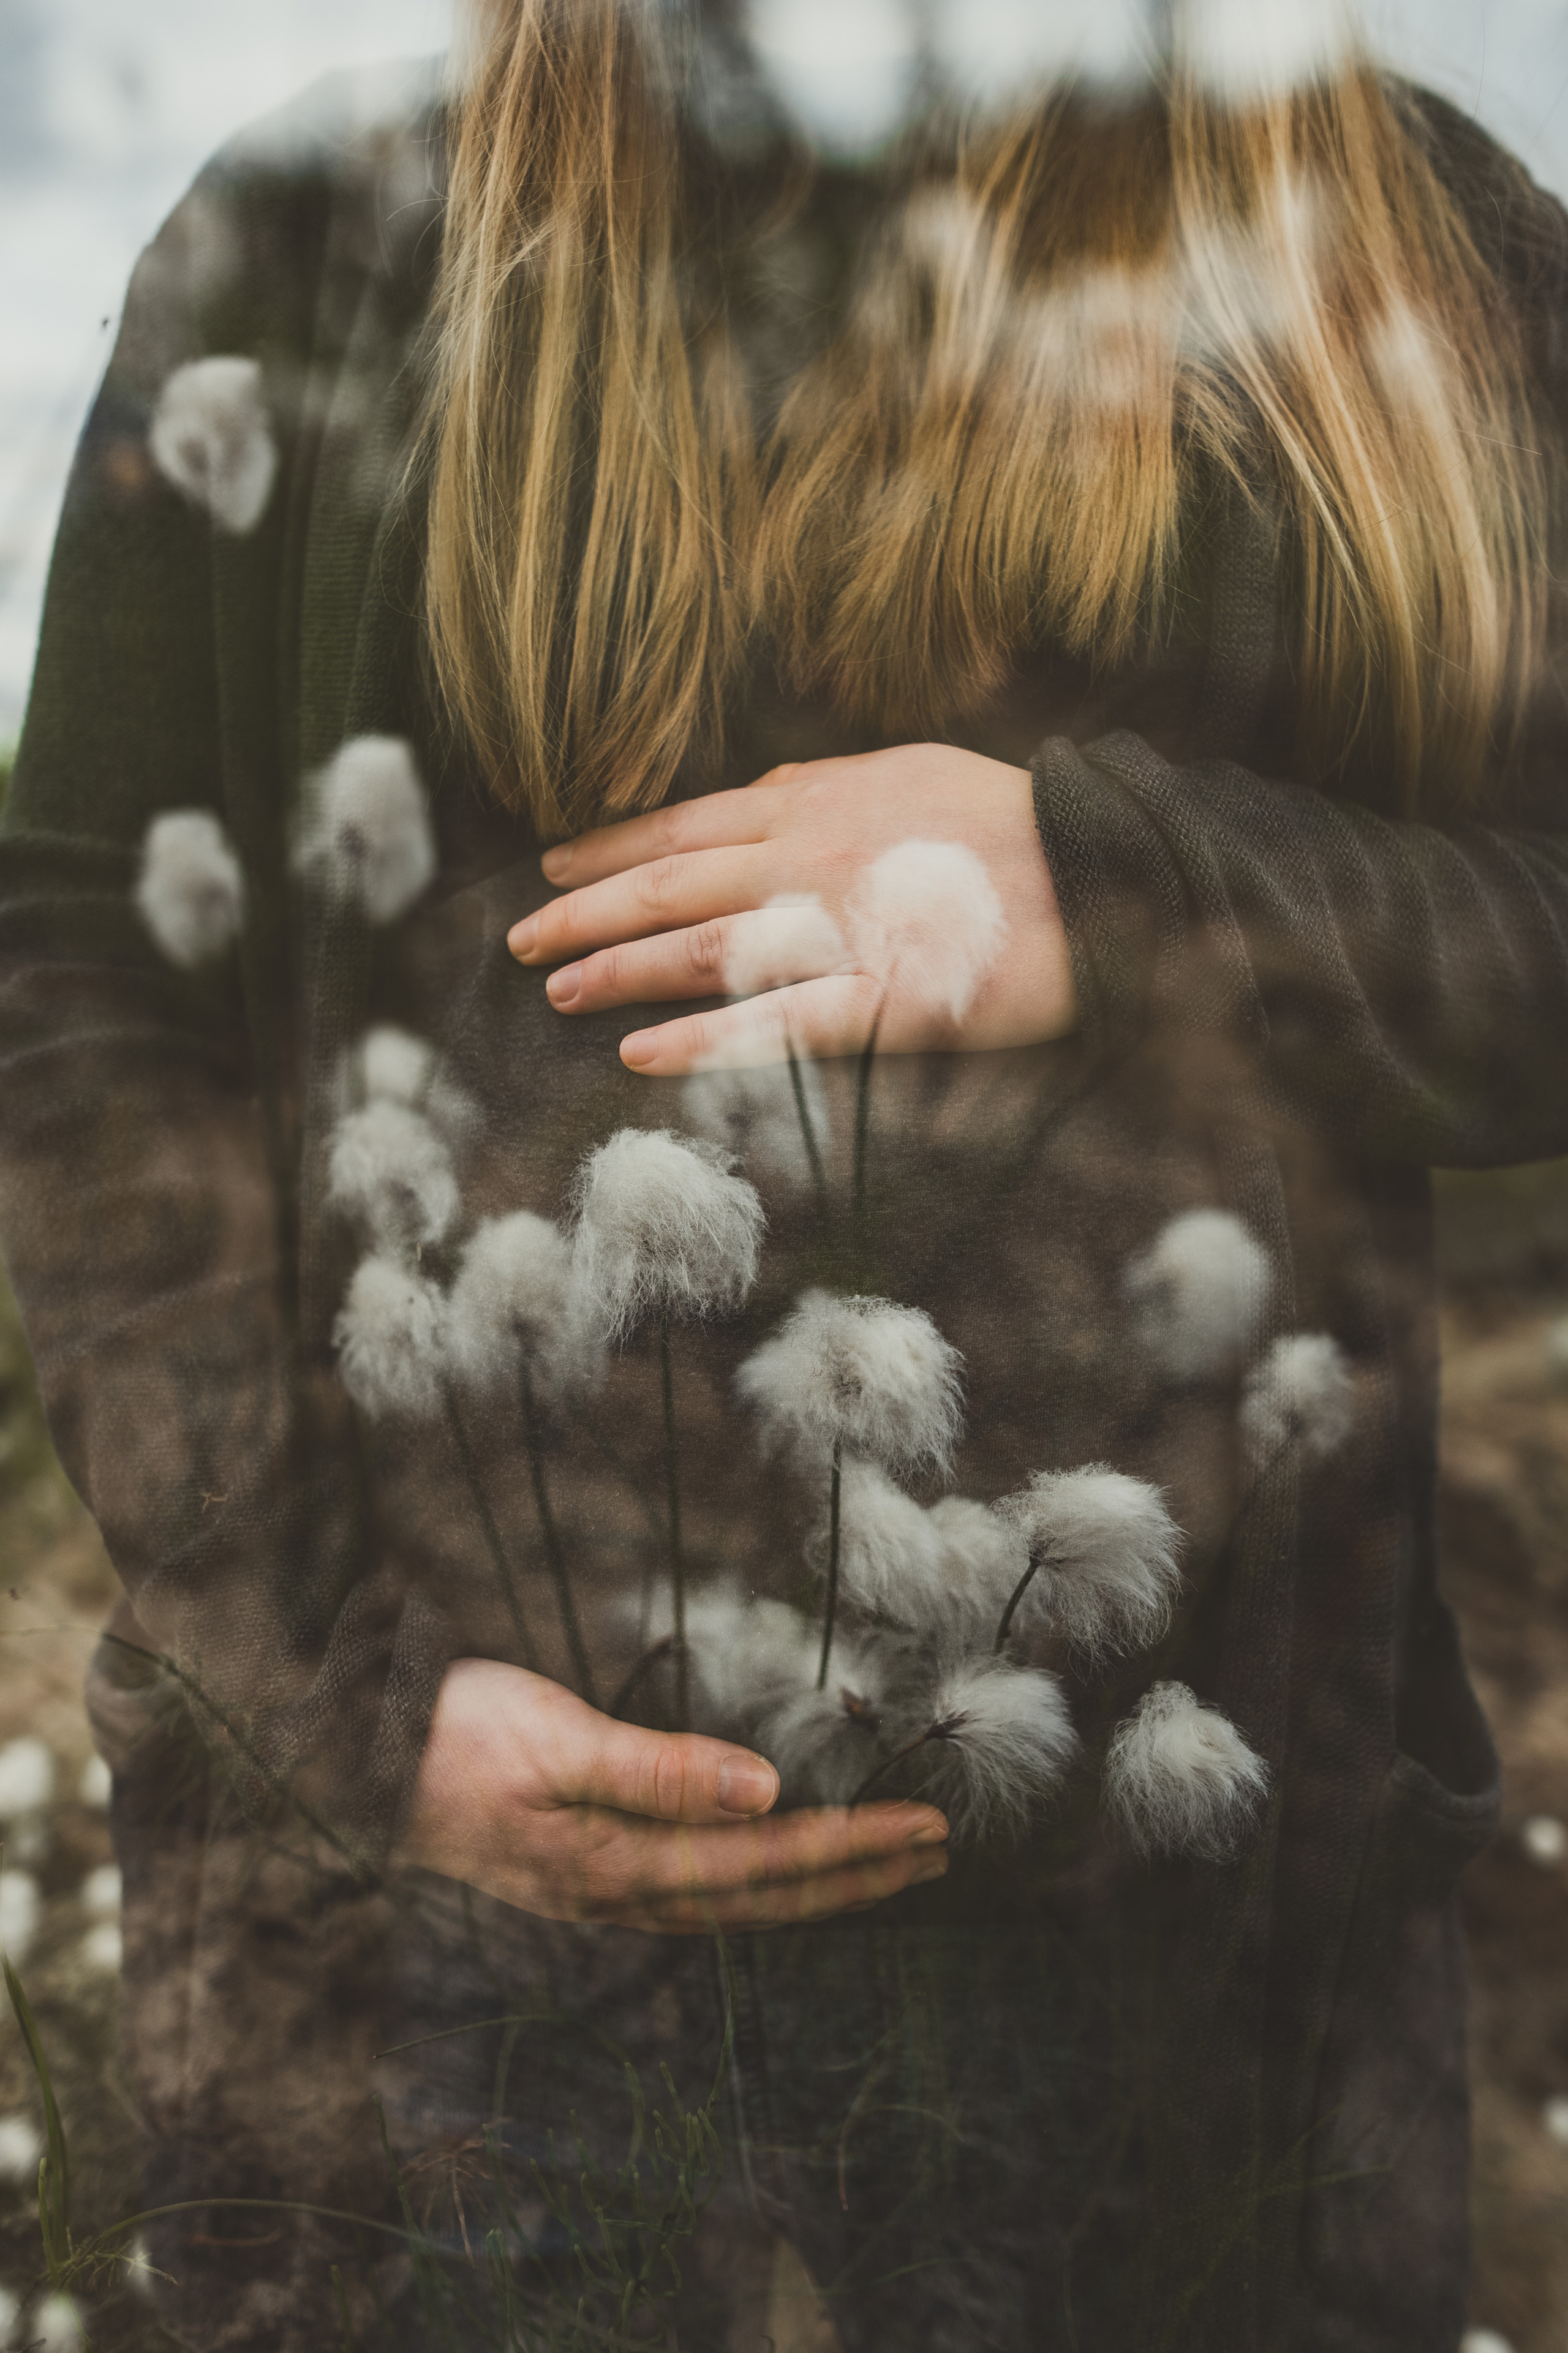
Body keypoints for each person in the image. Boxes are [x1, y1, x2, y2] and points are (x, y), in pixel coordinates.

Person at [2, 1, 1566, 2346]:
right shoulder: (319, 240)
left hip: (1198, 1951)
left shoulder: (1414, 250)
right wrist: (319, 1683)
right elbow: (88, 995)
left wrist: (1127, 888)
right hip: (433, 1947)